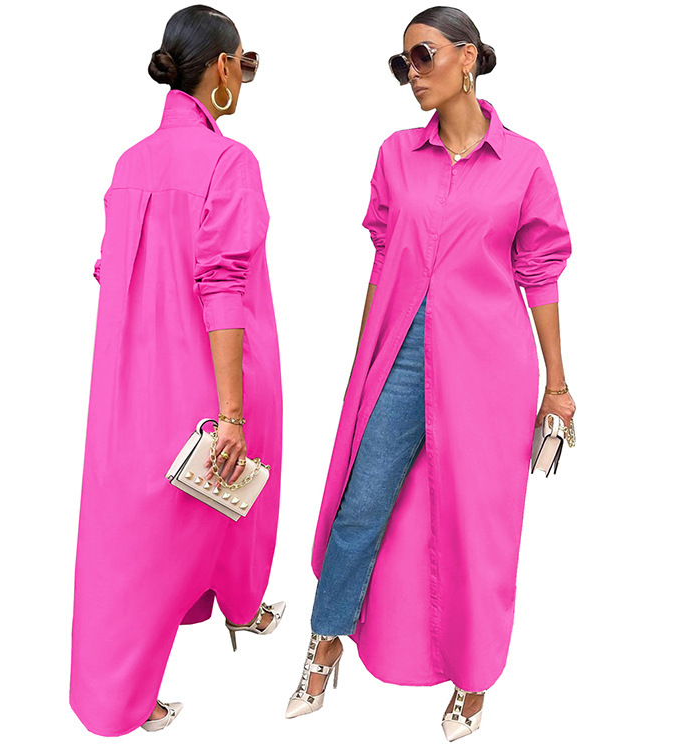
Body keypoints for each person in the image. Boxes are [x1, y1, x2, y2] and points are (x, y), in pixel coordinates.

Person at [285, 6, 575, 742]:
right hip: (406, 354)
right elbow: (383, 257)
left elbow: (540, 271)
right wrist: (366, 359)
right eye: (402, 63)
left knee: (479, 527)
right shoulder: (394, 154)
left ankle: (474, 678)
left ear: (467, 57)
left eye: (423, 55)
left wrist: (558, 384)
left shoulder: (526, 162)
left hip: (491, 367)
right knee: (362, 504)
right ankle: (325, 641)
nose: (411, 74)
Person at [69, 5, 284, 736]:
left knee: (132, 541)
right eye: (243, 64)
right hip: (217, 372)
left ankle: (221, 615)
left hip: (134, 384)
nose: (243, 77)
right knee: (233, 485)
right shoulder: (230, 161)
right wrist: (230, 412)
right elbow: (222, 283)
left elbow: (111, 273)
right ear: (222, 66)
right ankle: (233, 612)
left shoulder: (130, 162)